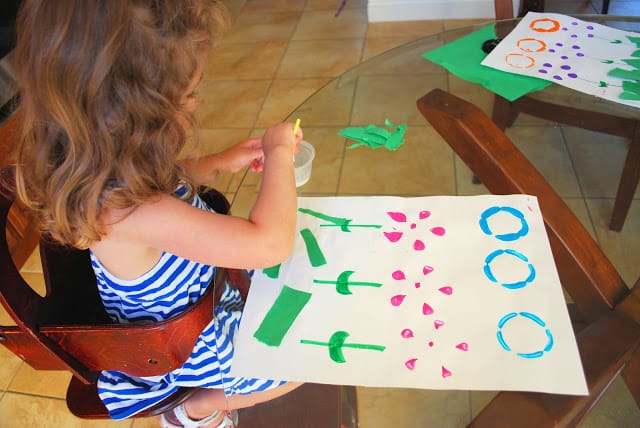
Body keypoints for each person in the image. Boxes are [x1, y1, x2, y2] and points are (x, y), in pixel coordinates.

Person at [13, 1, 302, 427]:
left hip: (210, 292)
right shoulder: (132, 213)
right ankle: (196, 408)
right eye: (188, 94)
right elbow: (269, 243)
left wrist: (219, 161)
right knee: (295, 369)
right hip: (190, 342)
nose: (195, 102)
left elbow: (169, 180)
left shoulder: (108, 162)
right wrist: (279, 153)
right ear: (137, 113)